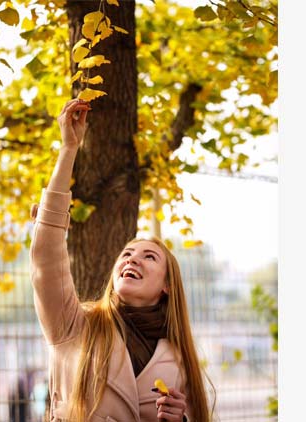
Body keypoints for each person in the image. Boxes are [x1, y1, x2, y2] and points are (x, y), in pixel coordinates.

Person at [30, 98, 212, 422]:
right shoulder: (74, 325)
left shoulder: (177, 360)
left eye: (149, 256)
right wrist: (68, 150)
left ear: (168, 286)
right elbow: (46, 258)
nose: (132, 259)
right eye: (127, 254)